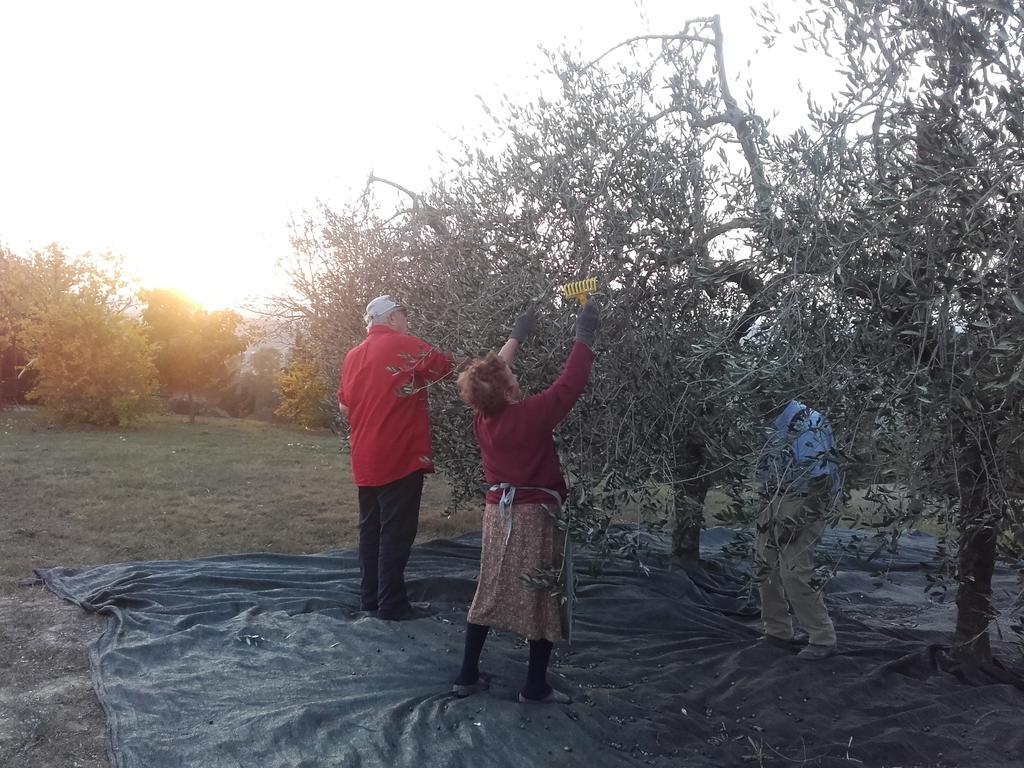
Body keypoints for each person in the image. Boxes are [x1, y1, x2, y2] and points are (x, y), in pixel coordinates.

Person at [450, 300, 600, 704]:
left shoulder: (483, 415)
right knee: (543, 595)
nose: (513, 373)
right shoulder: (530, 415)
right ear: (510, 389)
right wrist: (583, 336)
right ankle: (534, 687)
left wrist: (517, 334)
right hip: (536, 516)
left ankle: (467, 675)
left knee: (490, 589)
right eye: (512, 376)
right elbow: (569, 384)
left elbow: (491, 373)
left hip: (497, 514)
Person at [338, 295, 454, 621]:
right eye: (403, 314)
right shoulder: (402, 344)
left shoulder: (352, 356)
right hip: (399, 455)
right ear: (390, 318)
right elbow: (446, 367)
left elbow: (344, 405)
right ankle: (392, 605)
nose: (407, 320)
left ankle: (371, 599)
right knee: (395, 532)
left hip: (365, 457)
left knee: (371, 531)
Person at [754, 397, 842, 660]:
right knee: (763, 566)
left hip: (802, 501)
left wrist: (798, 521)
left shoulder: (807, 423)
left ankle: (822, 639)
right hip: (774, 497)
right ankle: (777, 632)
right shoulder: (771, 422)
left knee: (794, 572)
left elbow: (823, 483)